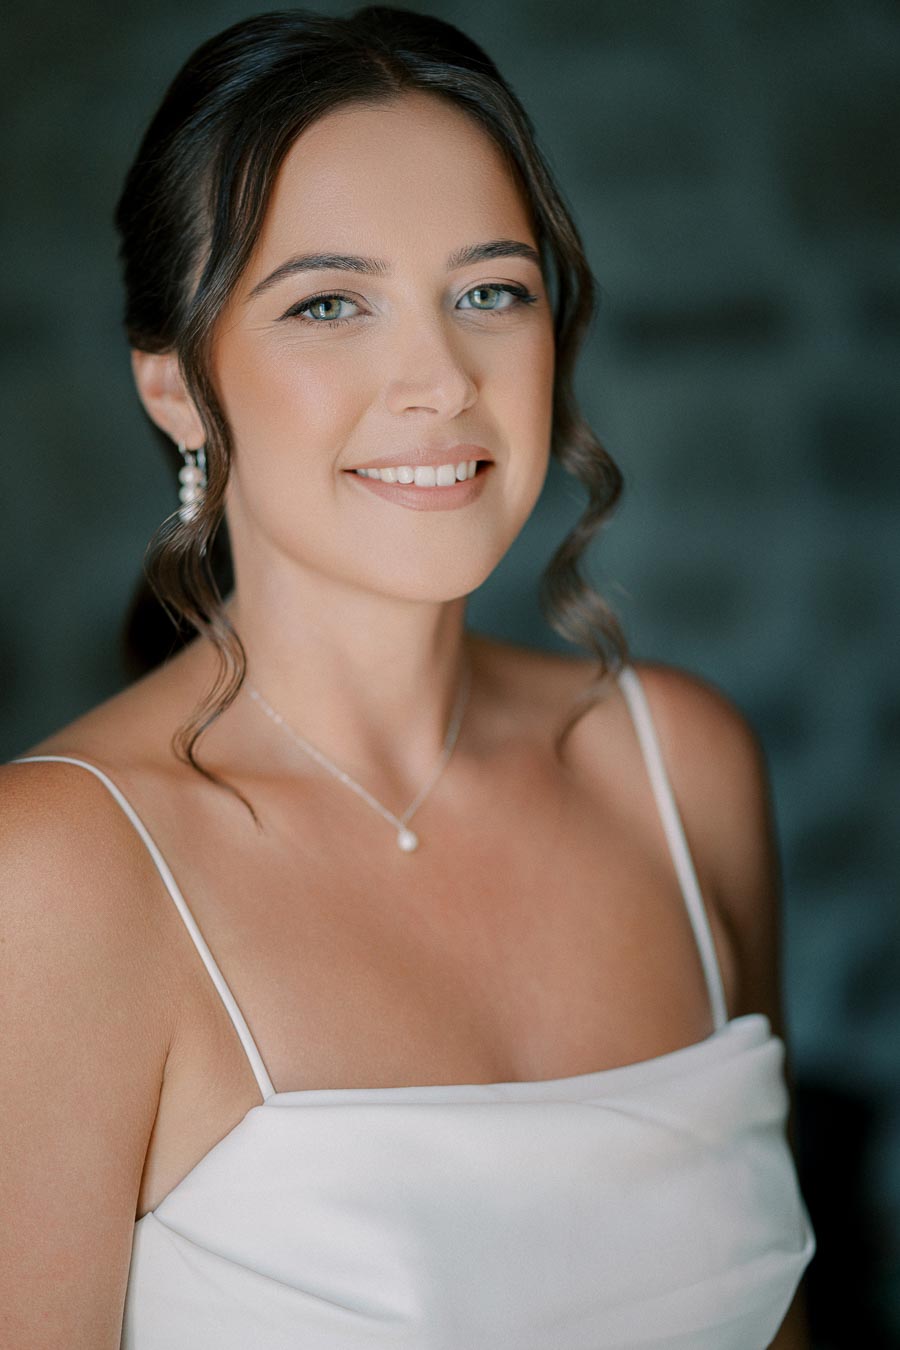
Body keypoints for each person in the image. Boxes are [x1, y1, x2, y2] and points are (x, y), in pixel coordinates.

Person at [1, 7, 815, 1347]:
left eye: (491, 291)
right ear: (177, 389)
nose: (440, 381)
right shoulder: (56, 876)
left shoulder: (679, 768)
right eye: (328, 304)